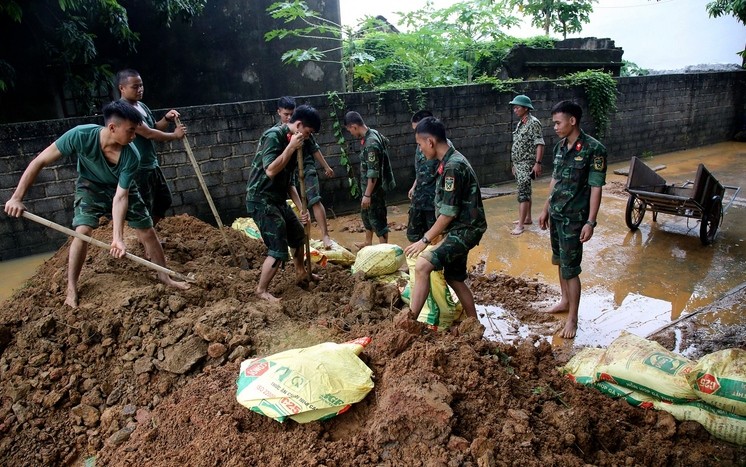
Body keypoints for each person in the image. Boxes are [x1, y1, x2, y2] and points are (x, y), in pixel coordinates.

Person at [4, 101, 190, 307]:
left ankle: (164, 276)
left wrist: (117, 238)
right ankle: (71, 289)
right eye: (130, 131)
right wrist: (17, 198)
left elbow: (120, 197)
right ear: (112, 128)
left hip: (120, 186)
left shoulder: (131, 155)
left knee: (147, 230)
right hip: (89, 185)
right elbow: (39, 162)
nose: (134, 137)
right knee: (82, 231)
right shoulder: (80, 136)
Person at [404, 117, 487, 322]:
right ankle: (473, 324)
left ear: (430, 142)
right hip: (460, 227)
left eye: (420, 144)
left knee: (423, 265)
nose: (420, 149)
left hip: (465, 229)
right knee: (454, 277)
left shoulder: (452, 167)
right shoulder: (447, 161)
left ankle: (410, 321)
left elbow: (448, 213)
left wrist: (424, 240)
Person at [538, 100, 607, 339]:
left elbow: (596, 187)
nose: (555, 127)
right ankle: (564, 301)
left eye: (558, 122)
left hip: (574, 219)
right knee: (560, 261)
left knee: (571, 269)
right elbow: (555, 181)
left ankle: (573, 318)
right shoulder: (559, 147)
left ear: (572, 121)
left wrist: (590, 221)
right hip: (556, 215)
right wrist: (546, 208)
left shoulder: (593, 149)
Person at [246, 104, 322, 302]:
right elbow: (271, 170)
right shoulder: (273, 137)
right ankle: (261, 290)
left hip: (278, 199)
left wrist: (301, 207)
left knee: (298, 236)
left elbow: (288, 182)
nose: (307, 136)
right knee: (278, 247)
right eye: (307, 132)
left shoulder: (296, 141)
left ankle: (301, 273)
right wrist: (290, 148)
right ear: (298, 125)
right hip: (261, 199)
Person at [116, 69, 185, 226]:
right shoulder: (123, 110)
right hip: (138, 167)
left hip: (151, 164)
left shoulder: (141, 106)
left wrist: (166, 118)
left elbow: (154, 127)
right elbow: (148, 134)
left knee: (164, 200)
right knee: (144, 206)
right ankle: (144, 238)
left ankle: (151, 232)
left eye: (141, 86)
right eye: (135, 87)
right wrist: (175, 136)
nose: (140, 89)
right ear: (122, 88)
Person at [276, 96, 335, 249]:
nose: (289, 117)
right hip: (289, 171)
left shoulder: (305, 131)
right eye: (285, 114)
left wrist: (326, 166)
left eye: (291, 114)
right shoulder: (278, 133)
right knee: (300, 208)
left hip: (306, 167)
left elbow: (315, 149)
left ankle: (325, 236)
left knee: (314, 199)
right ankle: (303, 238)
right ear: (279, 113)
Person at [344, 111, 395, 249]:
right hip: (367, 187)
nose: (351, 133)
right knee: (366, 214)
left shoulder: (371, 143)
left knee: (377, 218)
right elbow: (386, 142)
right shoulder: (372, 134)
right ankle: (368, 241)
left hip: (374, 190)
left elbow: (373, 173)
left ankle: (384, 249)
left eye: (350, 130)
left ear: (354, 126)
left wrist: (367, 195)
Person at [509, 94, 545, 236]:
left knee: (523, 193)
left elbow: (540, 143)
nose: (515, 110)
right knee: (526, 190)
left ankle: (521, 225)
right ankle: (528, 218)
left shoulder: (533, 123)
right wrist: (514, 164)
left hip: (526, 163)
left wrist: (538, 163)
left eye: (517, 107)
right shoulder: (521, 123)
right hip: (519, 163)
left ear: (525, 108)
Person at [406, 110, 439, 244]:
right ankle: (417, 263)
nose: (416, 134)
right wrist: (414, 186)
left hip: (432, 203)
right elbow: (420, 170)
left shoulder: (441, 147)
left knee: (433, 237)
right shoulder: (421, 145)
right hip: (418, 199)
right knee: (413, 235)